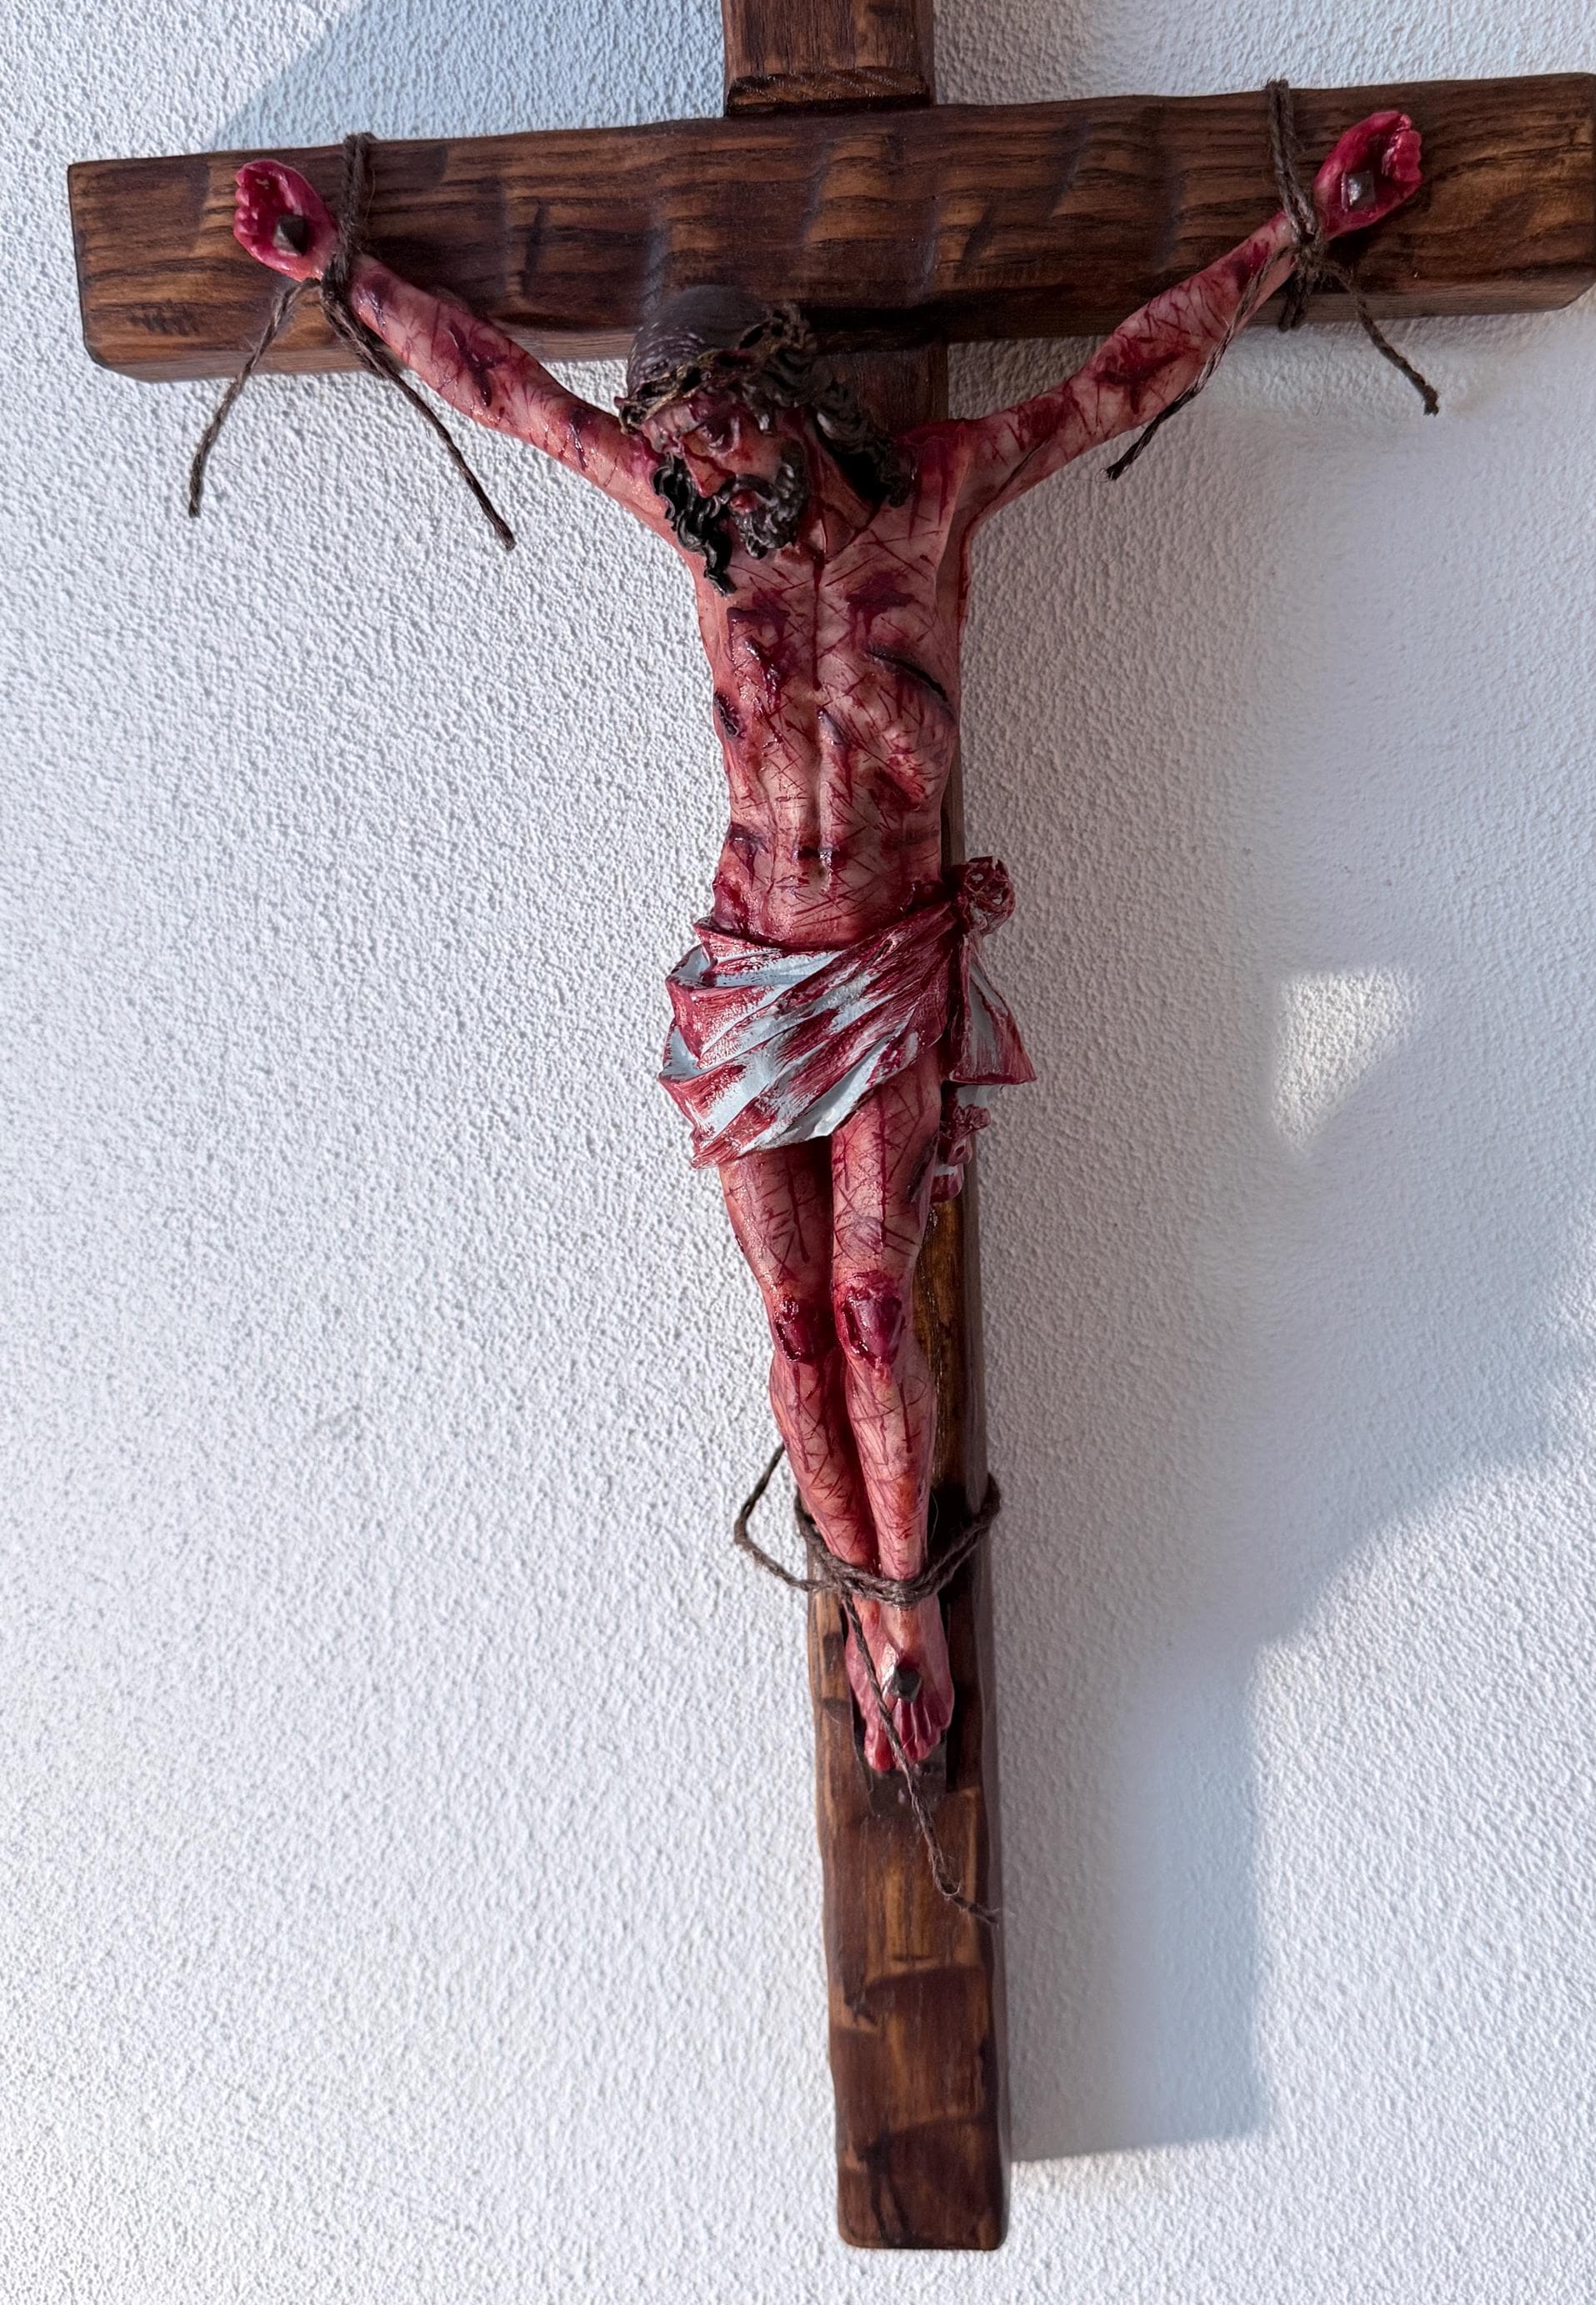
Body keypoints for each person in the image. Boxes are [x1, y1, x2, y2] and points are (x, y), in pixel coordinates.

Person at [229, 107, 1423, 1773]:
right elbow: (511, 394)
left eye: (713, 432)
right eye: (674, 447)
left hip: (881, 967)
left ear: (778, 395)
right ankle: (865, 1609)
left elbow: (1117, 381)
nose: (694, 467)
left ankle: (906, 1606)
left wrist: (1293, 231)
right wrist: (342, 271)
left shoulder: (929, 498)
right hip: (744, 974)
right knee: (791, 1325)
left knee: (869, 1304)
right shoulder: (692, 521)